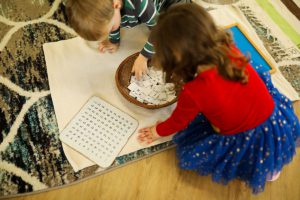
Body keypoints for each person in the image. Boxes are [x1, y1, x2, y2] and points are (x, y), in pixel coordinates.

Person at [137, 4, 300, 193]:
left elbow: (178, 121)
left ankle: (264, 167)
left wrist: (158, 130)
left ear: (175, 60)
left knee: (203, 143)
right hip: (274, 121)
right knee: (266, 148)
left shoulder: (194, 90)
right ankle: (271, 165)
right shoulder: (227, 46)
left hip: (244, 137)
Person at [66, 0, 188, 79]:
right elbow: (112, 19)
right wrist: (114, 40)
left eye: (112, 28)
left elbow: (159, 30)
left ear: (116, 5)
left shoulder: (141, 4)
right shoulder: (111, 8)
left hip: (169, 2)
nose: (112, 31)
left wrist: (144, 57)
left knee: (176, 29)